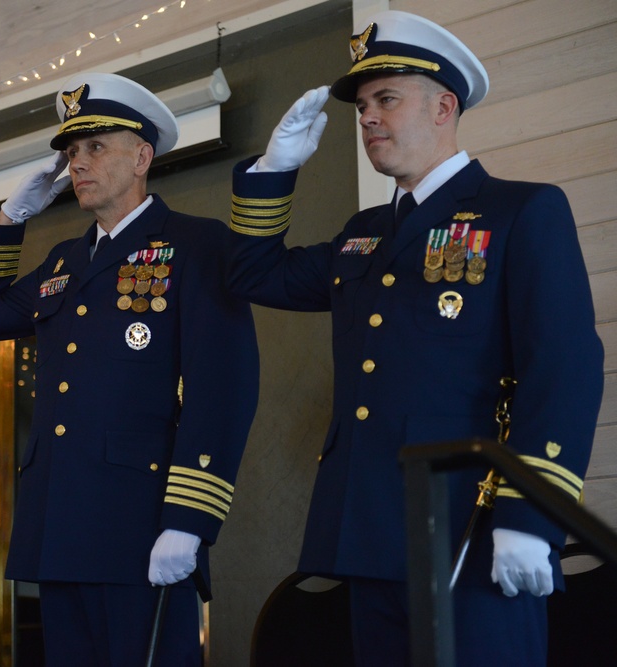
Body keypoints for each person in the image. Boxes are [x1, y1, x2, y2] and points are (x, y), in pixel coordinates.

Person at [227, 10, 604, 666]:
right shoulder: (362, 233)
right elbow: (254, 273)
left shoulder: (520, 211)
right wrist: (274, 169)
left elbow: (564, 369)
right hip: (370, 530)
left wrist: (528, 514)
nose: (368, 116)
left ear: (443, 107)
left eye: (387, 99)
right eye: (364, 104)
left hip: (474, 529)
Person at [0, 72, 260, 665]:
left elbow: (222, 389)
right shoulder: (64, 260)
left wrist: (190, 519)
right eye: (72, 152)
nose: (78, 164)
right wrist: (8, 221)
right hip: (61, 523)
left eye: (95, 147)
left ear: (142, 156)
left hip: (140, 524)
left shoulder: (196, 246)